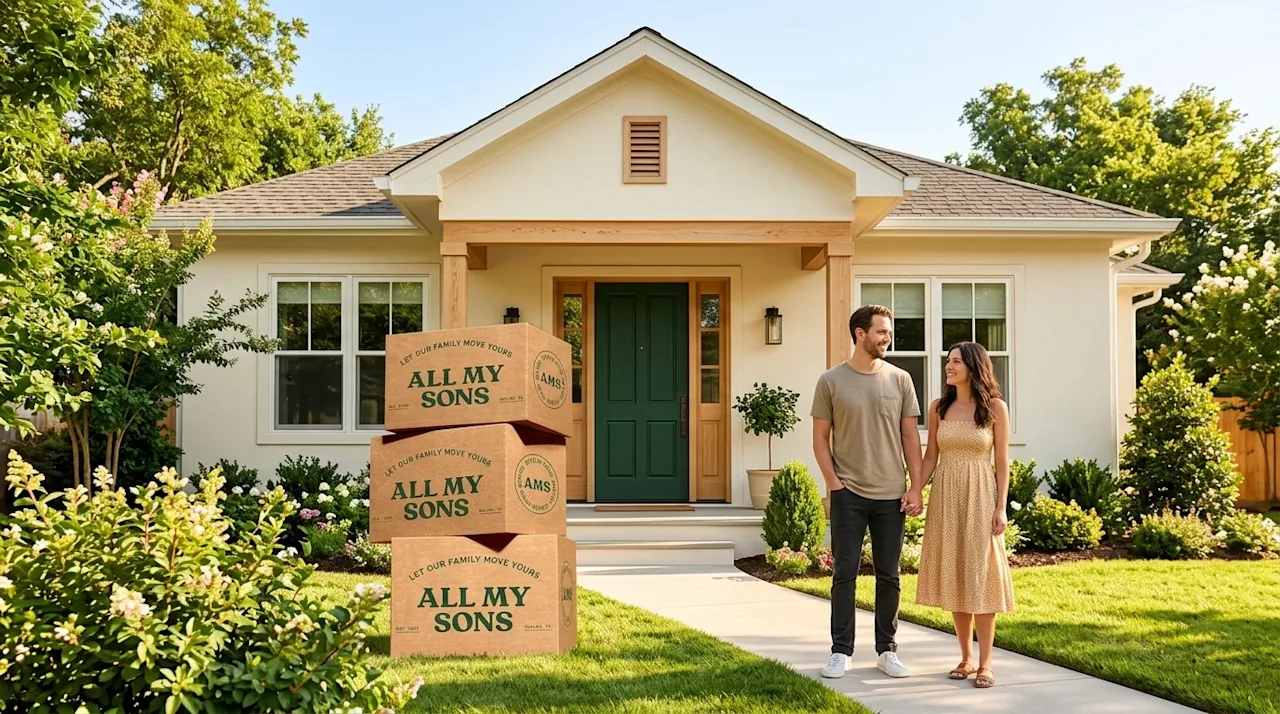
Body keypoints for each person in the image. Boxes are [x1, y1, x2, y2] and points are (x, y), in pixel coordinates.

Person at [812, 305, 925, 680]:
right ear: (859, 334)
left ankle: (886, 650)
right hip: (849, 493)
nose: (887, 338)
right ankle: (840, 651)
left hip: (891, 494)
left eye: (888, 332)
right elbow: (820, 439)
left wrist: (915, 487)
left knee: (889, 575)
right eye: (881, 332)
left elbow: (911, 437)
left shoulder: (900, 379)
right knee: (844, 574)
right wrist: (833, 484)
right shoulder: (830, 380)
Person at [914, 341, 1016, 689]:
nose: (949, 366)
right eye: (948, 361)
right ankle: (965, 657)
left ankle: (986, 663)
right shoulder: (938, 408)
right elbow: (930, 457)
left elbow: (1002, 463)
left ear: (973, 367)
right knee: (958, 575)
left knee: (981, 576)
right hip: (946, 496)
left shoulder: (995, 409)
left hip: (980, 495)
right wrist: (916, 489)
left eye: (956, 361)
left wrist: (1000, 507)